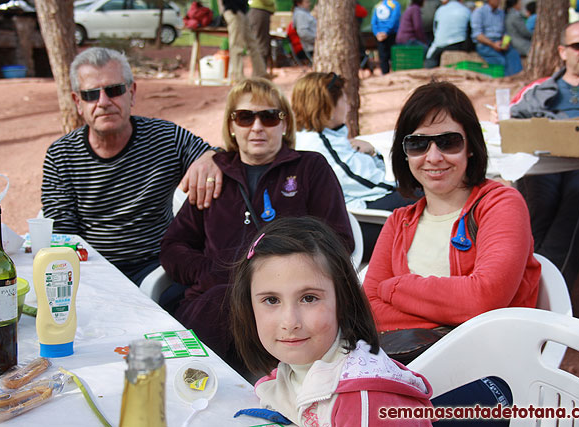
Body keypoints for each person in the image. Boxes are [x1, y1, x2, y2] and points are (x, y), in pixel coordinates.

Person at [363, 81, 540, 418]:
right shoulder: (398, 222)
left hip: (496, 371)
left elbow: (485, 298)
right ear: (404, 152)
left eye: (448, 142)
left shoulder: (500, 204)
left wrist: (396, 288)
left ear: (470, 146)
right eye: (417, 144)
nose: (433, 157)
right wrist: (455, 309)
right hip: (410, 369)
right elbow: (370, 308)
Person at [160, 78, 354, 376]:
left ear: (284, 124)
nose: (257, 126)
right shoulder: (214, 174)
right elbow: (173, 247)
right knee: (220, 303)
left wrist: (284, 277)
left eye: (269, 116)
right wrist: (209, 272)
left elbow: (339, 241)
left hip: (287, 305)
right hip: (216, 300)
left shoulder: (309, 169)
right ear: (232, 125)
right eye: (245, 117)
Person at [41, 47, 222, 286]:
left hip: (158, 268)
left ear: (132, 93)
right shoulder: (61, 155)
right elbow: (62, 233)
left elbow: (214, 156)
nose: (103, 102)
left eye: (114, 90)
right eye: (91, 95)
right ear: (78, 102)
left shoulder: (166, 138)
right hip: (89, 271)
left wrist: (210, 157)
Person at [230, 216, 433, 426]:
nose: (290, 322)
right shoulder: (293, 369)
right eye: (271, 300)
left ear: (343, 300)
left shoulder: (363, 404)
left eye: (309, 298)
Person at [511, 21, 579, 289]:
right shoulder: (541, 89)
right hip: (544, 164)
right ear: (562, 51)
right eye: (577, 45)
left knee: (576, 197)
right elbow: (513, 117)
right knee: (539, 203)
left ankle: (546, 290)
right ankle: (528, 281)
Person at [292, 72, 414, 262]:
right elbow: (368, 182)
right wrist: (409, 183)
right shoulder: (320, 146)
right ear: (329, 106)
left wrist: (371, 153)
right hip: (357, 225)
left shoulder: (317, 136)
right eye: (344, 98)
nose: (348, 106)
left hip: (355, 212)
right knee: (426, 198)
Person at [218, 0, 267, 82]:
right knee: (237, 45)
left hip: (242, 11)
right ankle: (238, 76)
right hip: (233, 11)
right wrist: (228, 10)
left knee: (252, 43)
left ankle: (260, 73)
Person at [470, 0, 523, 76]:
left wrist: (505, 43)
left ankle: (516, 79)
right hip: (485, 45)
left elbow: (505, 32)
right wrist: (493, 44)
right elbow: (477, 35)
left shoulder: (501, 13)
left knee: (513, 55)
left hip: (500, 43)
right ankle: (506, 82)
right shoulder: (479, 12)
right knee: (501, 61)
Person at [424, 0, 471, 68]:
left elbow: (435, 29)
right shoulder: (466, 10)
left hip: (439, 44)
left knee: (431, 60)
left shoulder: (440, 10)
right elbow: (470, 31)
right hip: (458, 45)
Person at [372, 0, 401, 74]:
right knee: (393, 56)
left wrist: (377, 33)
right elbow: (394, 20)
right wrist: (385, 32)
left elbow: (373, 22)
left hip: (380, 35)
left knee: (383, 57)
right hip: (390, 34)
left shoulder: (379, 4)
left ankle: (385, 74)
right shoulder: (395, 4)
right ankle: (392, 74)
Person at [248, 0, 275, 70]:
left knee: (261, 43)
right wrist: (272, 3)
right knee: (261, 44)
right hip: (260, 11)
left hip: (260, 12)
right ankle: (260, 73)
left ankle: (260, 72)